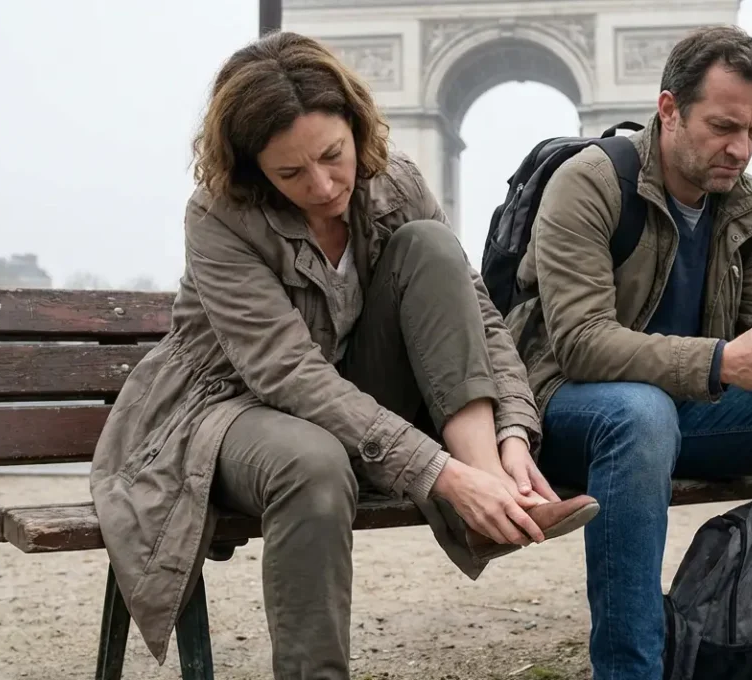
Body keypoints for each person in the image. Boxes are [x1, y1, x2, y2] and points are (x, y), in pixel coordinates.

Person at [88, 31, 598, 679]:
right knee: (314, 463)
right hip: (225, 408)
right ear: (252, 170)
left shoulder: (398, 180)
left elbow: (477, 312)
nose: (325, 186)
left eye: (334, 155)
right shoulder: (217, 216)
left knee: (434, 251)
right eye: (291, 173)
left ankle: (488, 491)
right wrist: (440, 476)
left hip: (348, 386)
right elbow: (285, 373)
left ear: (357, 125)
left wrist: (513, 437)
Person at [505, 24, 752, 680]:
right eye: (724, 125)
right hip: (567, 408)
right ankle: (630, 671)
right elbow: (581, 344)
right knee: (641, 414)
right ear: (668, 108)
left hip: (687, 406)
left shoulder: (750, 203)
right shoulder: (587, 183)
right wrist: (721, 362)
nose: (741, 148)